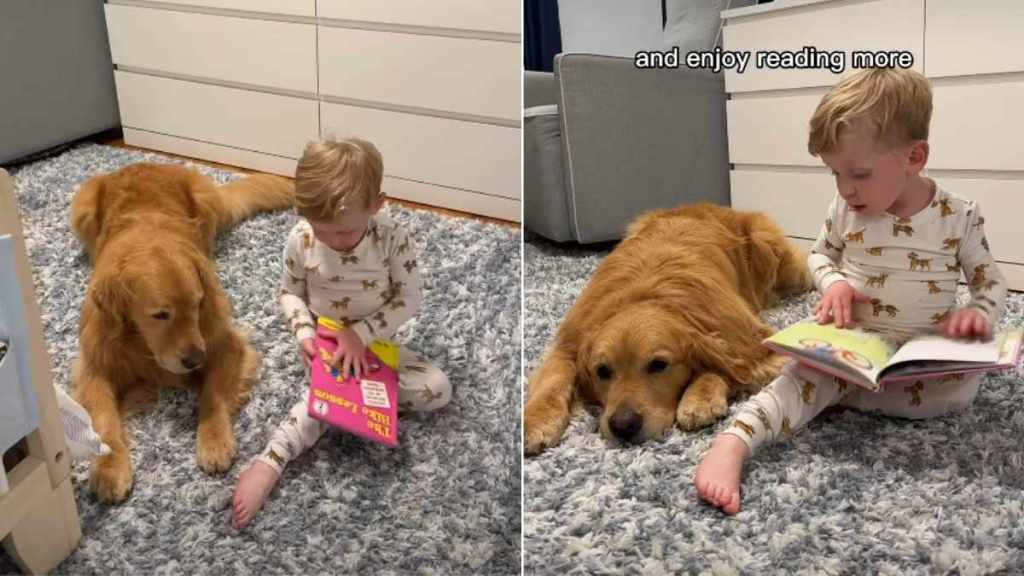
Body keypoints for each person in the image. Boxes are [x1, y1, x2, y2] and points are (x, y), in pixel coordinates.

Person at [693, 68, 1007, 515]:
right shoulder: (845, 208)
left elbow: (991, 281)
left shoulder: (959, 216)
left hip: (921, 349)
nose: (845, 188)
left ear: (914, 157)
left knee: (958, 393)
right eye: (835, 173)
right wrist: (834, 282)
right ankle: (735, 440)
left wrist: (980, 313)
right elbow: (818, 257)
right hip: (855, 341)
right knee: (799, 377)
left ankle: (847, 394)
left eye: (858, 173)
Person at [232, 138, 451, 529]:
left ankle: (352, 405)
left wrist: (363, 335)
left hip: (374, 342)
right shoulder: (302, 238)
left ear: (376, 205)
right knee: (318, 400)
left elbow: (410, 297)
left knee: (439, 389)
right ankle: (272, 460)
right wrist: (304, 334)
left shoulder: (393, 238)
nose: (333, 241)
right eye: (323, 230)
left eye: (346, 233)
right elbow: (289, 293)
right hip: (326, 343)